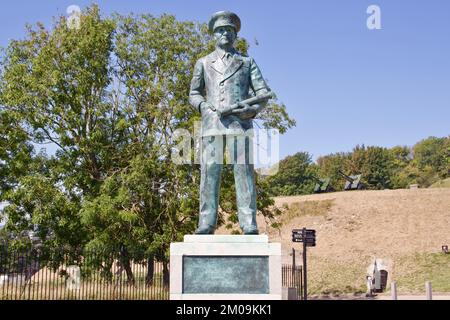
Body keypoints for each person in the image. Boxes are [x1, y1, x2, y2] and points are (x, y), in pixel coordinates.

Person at [189, 11, 271, 235]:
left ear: (235, 35)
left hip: (239, 125)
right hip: (212, 124)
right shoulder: (203, 63)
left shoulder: (247, 62)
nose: (225, 33)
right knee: (209, 174)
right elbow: (194, 93)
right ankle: (206, 222)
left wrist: (250, 110)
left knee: (243, 173)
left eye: (229, 30)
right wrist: (204, 107)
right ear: (214, 35)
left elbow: (262, 94)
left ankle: (248, 222)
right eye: (220, 30)